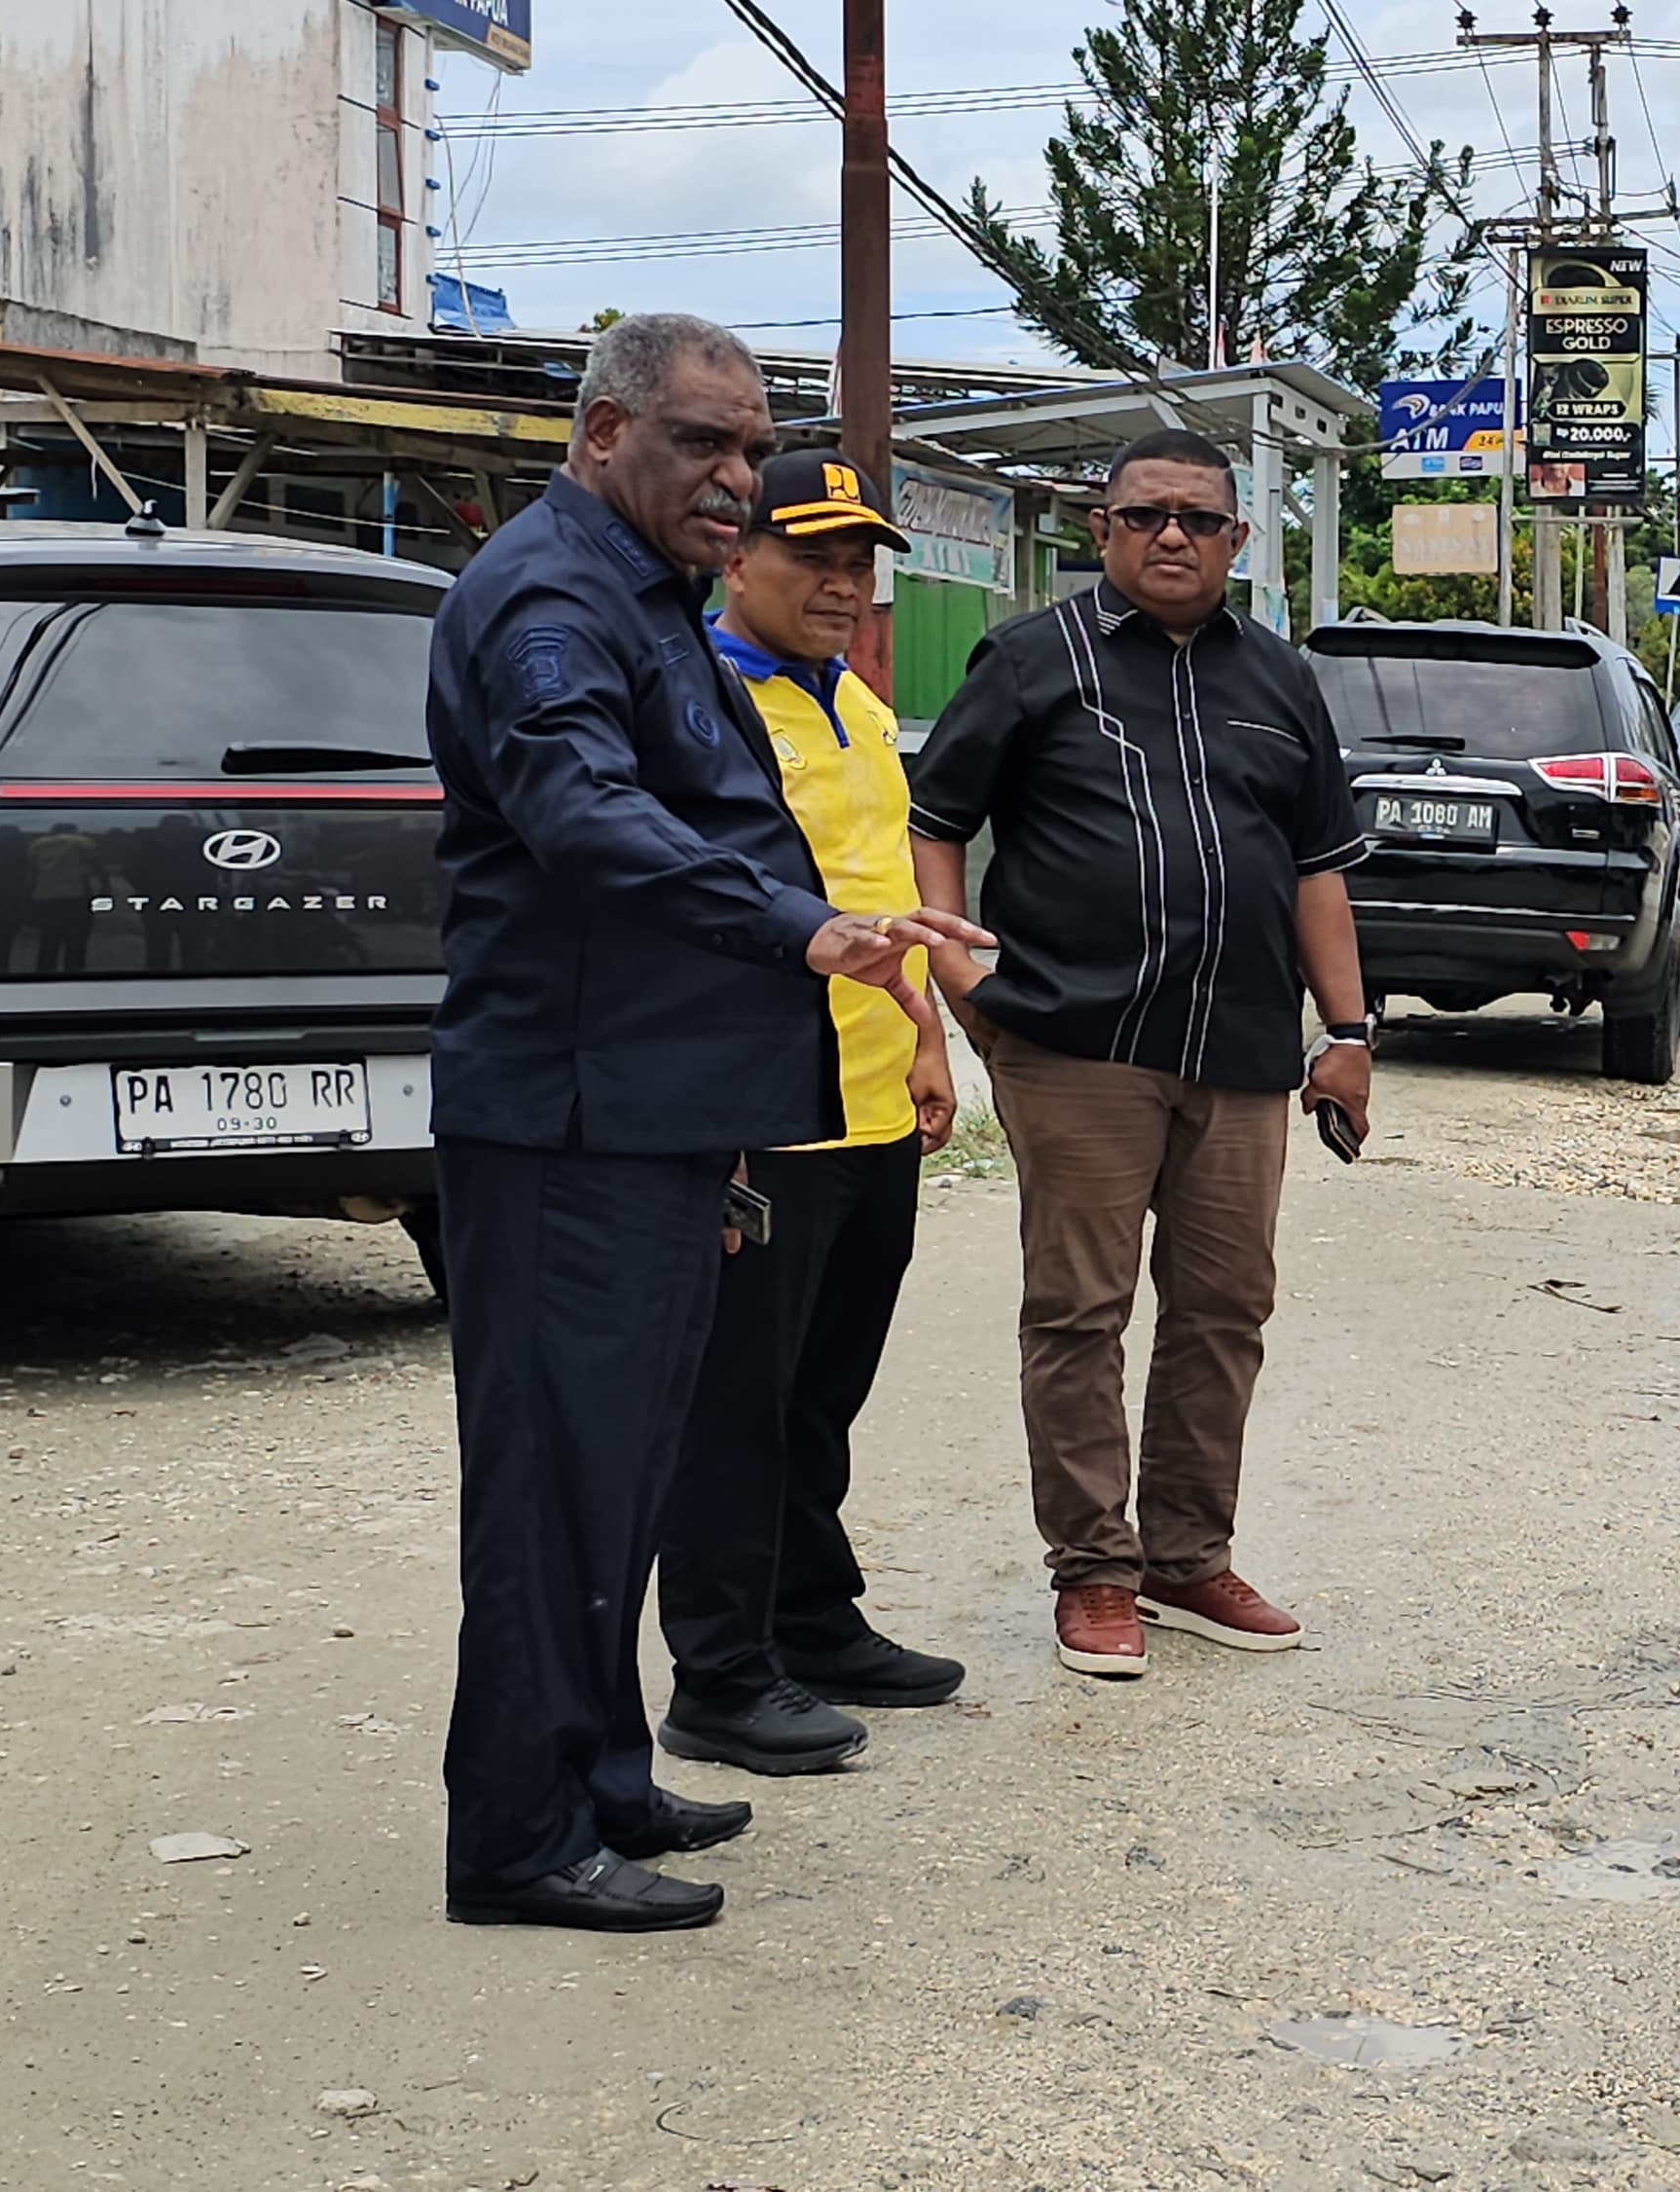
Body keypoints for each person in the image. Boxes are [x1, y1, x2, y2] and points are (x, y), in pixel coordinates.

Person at [425, 313, 983, 1932]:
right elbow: (578, 808)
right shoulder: (547, 595)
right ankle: (521, 1839)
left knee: (623, 1470)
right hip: (568, 1121)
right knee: (552, 1486)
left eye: (750, 446)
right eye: (703, 444)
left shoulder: (641, 592)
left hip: (654, 1117)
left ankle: (598, 1773)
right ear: (603, 436)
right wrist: (799, 925)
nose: (737, 478)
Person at [905, 426, 1372, 1682]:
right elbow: (936, 820)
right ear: (1100, 530)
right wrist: (964, 976)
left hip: (1239, 1052)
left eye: (1200, 519)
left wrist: (1348, 1032)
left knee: (1226, 1307)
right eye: (1147, 514)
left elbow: (1319, 869)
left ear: (1237, 541)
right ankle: (1094, 1572)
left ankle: (1184, 1553)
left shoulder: (1280, 680)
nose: (1173, 535)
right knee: (1079, 1312)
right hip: (1077, 1045)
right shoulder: (1027, 659)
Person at [651, 450, 968, 1778]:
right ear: (737, 559)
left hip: (870, 1102)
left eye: (860, 563)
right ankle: (719, 1675)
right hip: (759, 1115)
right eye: (813, 558)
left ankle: (811, 1620)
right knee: (736, 1404)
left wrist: (931, 1041)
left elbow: (880, 889)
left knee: (821, 1393)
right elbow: (676, 916)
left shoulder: (852, 702)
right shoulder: (695, 702)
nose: (844, 585)